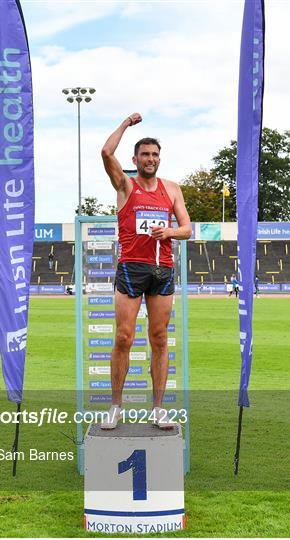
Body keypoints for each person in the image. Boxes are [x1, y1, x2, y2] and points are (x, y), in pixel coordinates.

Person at [100, 112, 192, 430]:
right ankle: (115, 406)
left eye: (154, 154)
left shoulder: (172, 189)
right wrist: (125, 124)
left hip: (162, 269)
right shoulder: (126, 185)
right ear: (136, 158)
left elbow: (187, 229)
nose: (150, 159)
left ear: (159, 158)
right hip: (131, 268)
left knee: (160, 338)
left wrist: (168, 232)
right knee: (124, 337)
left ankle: (158, 408)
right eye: (145, 154)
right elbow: (106, 153)